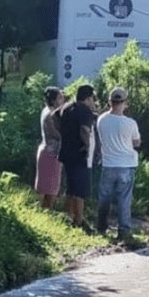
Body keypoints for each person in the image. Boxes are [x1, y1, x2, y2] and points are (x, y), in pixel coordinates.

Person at [96, 87, 141, 241]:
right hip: (126, 165)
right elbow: (136, 143)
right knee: (124, 199)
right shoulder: (131, 123)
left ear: (110, 102)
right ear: (125, 103)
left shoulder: (101, 120)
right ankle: (124, 230)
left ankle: (101, 227)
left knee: (104, 199)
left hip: (108, 164)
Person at [57, 84, 97, 229]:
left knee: (71, 187)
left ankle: (69, 216)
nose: (94, 102)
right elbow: (85, 130)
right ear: (88, 98)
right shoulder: (85, 111)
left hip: (66, 152)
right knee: (80, 190)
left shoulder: (66, 108)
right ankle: (79, 220)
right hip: (80, 154)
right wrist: (87, 146)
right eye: (93, 98)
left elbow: (54, 117)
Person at [35, 86, 65, 209]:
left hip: (47, 151)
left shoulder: (46, 110)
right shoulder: (51, 114)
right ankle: (46, 212)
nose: (63, 99)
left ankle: (44, 212)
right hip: (51, 153)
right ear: (53, 101)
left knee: (47, 186)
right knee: (50, 188)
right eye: (60, 97)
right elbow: (56, 134)